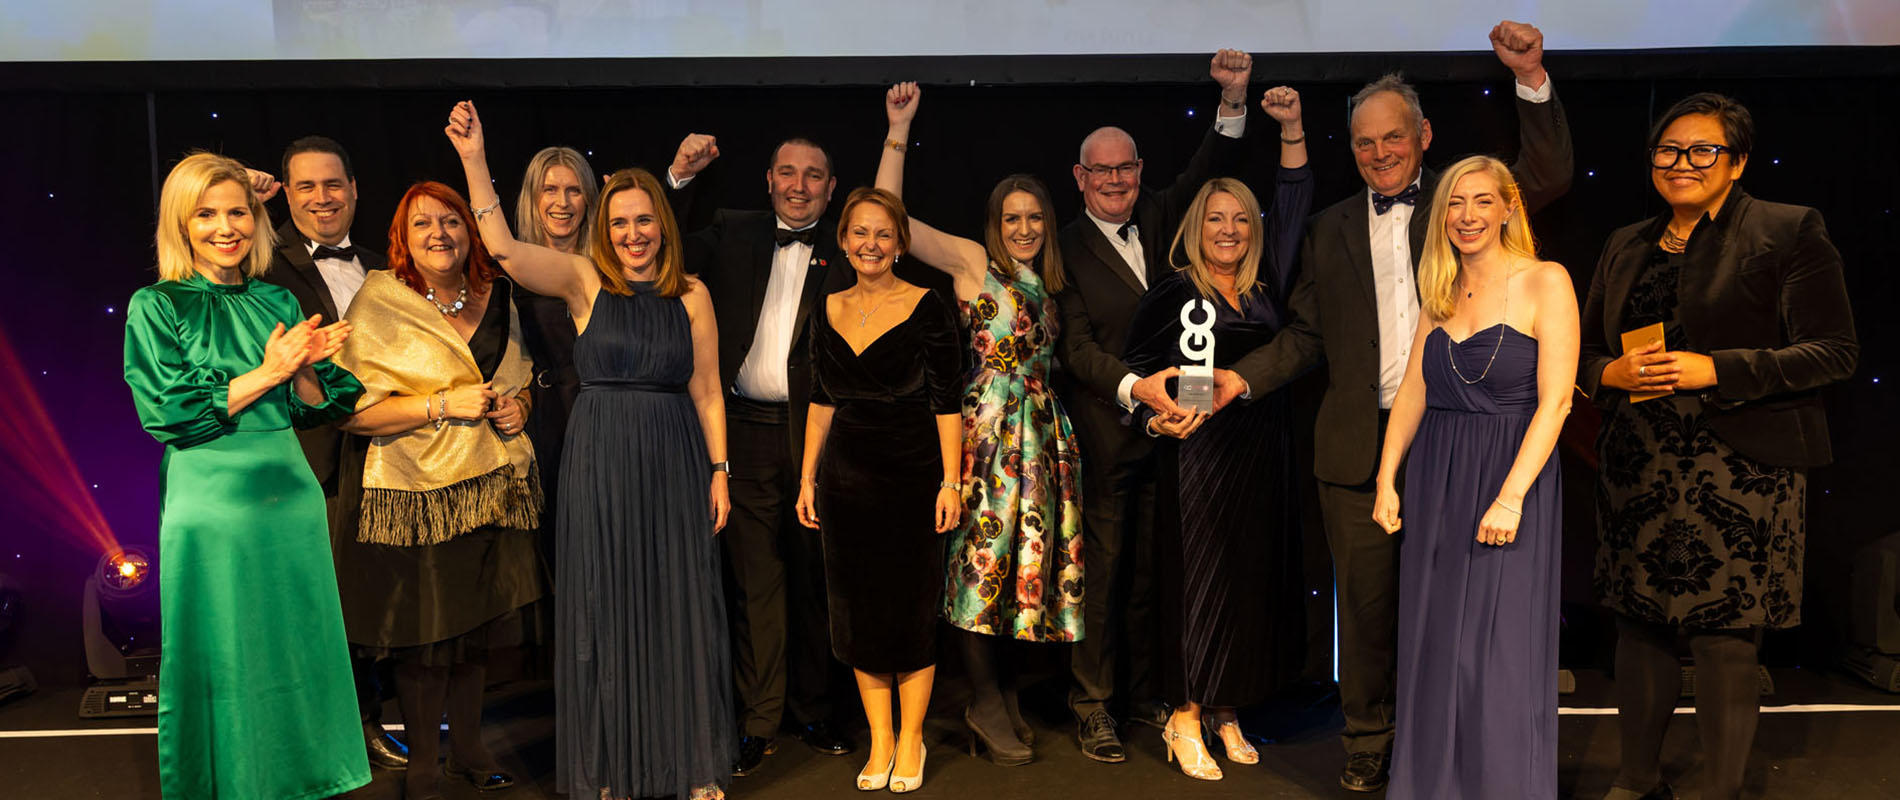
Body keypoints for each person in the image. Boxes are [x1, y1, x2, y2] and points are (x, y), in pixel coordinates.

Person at [1233, 21, 1575, 792]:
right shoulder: (1327, 229)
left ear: (1422, 136)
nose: (1379, 154)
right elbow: (1305, 335)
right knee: (1369, 611)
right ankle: (1371, 741)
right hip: (1362, 443)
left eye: (1392, 138)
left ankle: (1463, 747)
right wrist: (1240, 380)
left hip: (1464, 434)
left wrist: (1530, 78)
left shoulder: (1461, 207)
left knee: (1462, 606)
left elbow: (1545, 173)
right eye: (1362, 144)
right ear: (1350, 150)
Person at [445, 100, 736, 800]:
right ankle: (607, 770)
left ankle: (692, 768)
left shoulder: (692, 295)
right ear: (603, 232)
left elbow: (707, 394)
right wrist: (474, 160)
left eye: (643, 221)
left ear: (661, 225)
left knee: (680, 610)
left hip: (675, 460)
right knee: (604, 610)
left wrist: (721, 471)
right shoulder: (584, 283)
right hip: (600, 460)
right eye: (619, 223)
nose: (632, 234)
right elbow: (506, 251)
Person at [1579, 93, 1857, 800]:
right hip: (1636, 464)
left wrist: (1721, 368)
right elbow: (1580, 351)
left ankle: (1720, 790)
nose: (1682, 164)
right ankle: (1637, 778)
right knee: (1638, 629)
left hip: (1744, 468)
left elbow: (1835, 352)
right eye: (1668, 151)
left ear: (1735, 162)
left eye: (1703, 151)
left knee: (1725, 638)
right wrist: (1607, 372)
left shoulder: (1787, 230)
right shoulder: (1625, 243)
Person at [123, 151, 370, 799]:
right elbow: (167, 413)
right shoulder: (157, 304)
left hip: (288, 496)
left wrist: (307, 367)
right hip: (212, 504)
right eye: (205, 213)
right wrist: (269, 370)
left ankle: (300, 778)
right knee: (225, 652)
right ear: (180, 223)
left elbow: (324, 405)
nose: (224, 226)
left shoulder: (276, 298)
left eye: (237, 211)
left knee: (292, 647)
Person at [1055, 47, 1256, 765]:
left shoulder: (1167, 216)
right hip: (1110, 434)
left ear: (1140, 172)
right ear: (1080, 178)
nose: (1116, 180)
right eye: (1101, 170)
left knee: (1155, 575)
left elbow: (1208, 169)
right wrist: (1135, 390)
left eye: (1126, 167)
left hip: (1184, 439)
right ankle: (1093, 706)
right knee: (1104, 579)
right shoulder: (1065, 246)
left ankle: (1145, 692)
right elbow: (1075, 348)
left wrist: (1232, 102)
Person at [875, 82, 1085, 767]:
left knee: (1024, 571)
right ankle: (983, 700)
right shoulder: (973, 262)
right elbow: (891, 216)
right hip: (988, 439)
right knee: (980, 567)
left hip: (1042, 442)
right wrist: (898, 129)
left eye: (1033, 217)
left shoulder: (1054, 282)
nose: (1023, 228)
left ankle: (1005, 694)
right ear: (994, 222)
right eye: (1011, 217)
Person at [1368, 156, 1578, 799]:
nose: (1467, 217)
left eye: (1482, 202)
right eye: (1455, 204)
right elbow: (1413, 392)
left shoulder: (1546, 280)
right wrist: (1386, 478)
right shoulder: (1440, 286)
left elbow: (1558, 402)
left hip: (1510, 477)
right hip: (1438, 477)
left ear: (1508, 208)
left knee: (1497, 652)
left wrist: (1511, 498)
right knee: (1435, 643)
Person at [1121, 92, 1313, 779]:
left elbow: (1293, 208)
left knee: (1247, 583)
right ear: (1194, 227)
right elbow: (1138, 376)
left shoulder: (1264, 294)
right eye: (1214, 218)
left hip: (1262, 453)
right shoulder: (1174, 291)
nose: (1228, 230)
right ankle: (1184, 714)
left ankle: (1228, 706)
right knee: (1198, 584)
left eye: (1239, 219)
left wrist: (1292, 133)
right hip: (1198, 458)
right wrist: (1152, 415)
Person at [333, 180, 546, 800]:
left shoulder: (497, 292)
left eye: (451, 221)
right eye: (423, 223)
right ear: (402, 236)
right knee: (426, 633)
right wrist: (439, 404)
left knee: (473, 630)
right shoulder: (380, 298)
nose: (439, 234)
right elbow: (351, 412)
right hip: (418, 491)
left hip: (496, 486)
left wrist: (521, 408)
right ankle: (425, 760)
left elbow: (525, 377)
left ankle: (471, 750)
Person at [667, 128, 863, 772]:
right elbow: (658, 251)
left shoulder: (850, 244)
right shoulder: (734, 229)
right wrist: (679, 180)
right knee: (756, 579)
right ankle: (758, 717)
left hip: (821, 435)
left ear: (831, 189)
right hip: (744, 431)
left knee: (817, 575)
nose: (799, 185)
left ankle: (814, 709)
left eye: (813, 175)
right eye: (788, 172)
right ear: (769, 181)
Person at [795, 187, 964, 793]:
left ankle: (912, 737)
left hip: (914, 472)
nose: (871, 244)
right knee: (858, 612)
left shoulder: (929, 304)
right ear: (844, 240)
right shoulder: (827, 306)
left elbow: (948, 404)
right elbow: (820, 399)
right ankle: (882, 740)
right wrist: (808, 477)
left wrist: (951, 481)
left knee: (911, 611)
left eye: (883, 234)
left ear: (900, 244)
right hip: (846, 478)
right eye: (860, 233)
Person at [255, 135, 409, 772]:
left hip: (389, 448)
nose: (323, 198)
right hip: (305, 456)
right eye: (306, 187)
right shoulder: (261, 260)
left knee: (369, 593)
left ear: (354, 189)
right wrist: (242, 186)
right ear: (286, 194)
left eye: (333, 184)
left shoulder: (384, 265)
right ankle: (326, 729)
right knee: (314, 598)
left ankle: (367, 718)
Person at [510, 146, 599, 546]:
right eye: (550, 190)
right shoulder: (508, 272)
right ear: (533, 198)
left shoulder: (611, 267)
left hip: (601, 415)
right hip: (538, 419)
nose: (562, 203)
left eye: (574, 191)